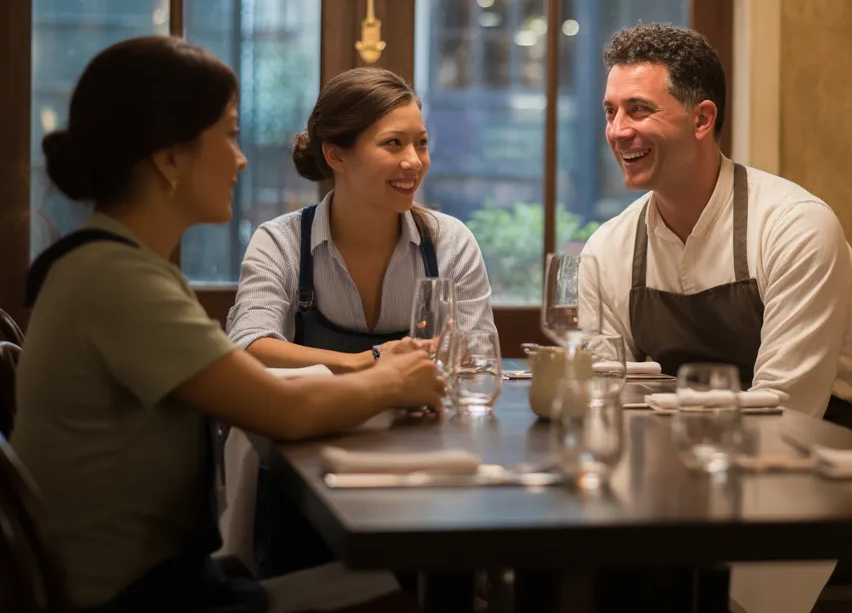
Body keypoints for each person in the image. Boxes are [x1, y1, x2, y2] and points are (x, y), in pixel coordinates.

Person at [12, 36, 444, 613]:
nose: (241, 159)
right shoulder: (117, 279)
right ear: (170, 158)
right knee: (396, 597)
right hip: (134, 598)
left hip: (152, 583)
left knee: (384, 587)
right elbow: (284, 410)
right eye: (230, 135)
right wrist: (392, 377)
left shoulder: (114, 266)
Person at [223, 67, 496, 577]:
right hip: (307, 487)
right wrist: (372, 364)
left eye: (421, 143)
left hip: (425, 475)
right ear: (336, 154)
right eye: (392, 144)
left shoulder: (449, 242)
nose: (413, 162)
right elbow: (249, 346)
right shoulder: (282, 242)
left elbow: (476, 359)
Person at [580, 23, 852, 431]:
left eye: (639, 109)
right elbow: (607, 397)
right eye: (611, 111)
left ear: (702, 119)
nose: (618, 131)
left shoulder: (795, 227)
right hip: (668, 459)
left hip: (805, 461)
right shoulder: (607, 248)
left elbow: (787, 407)